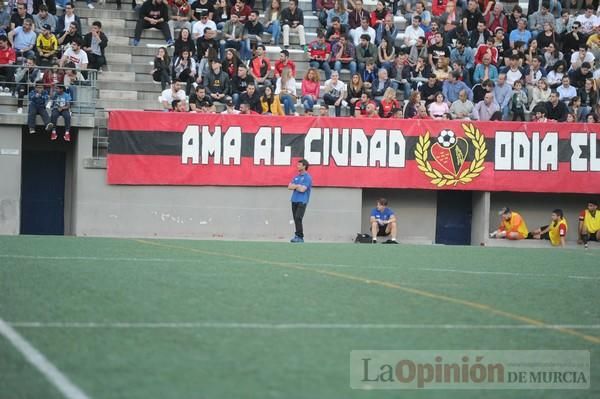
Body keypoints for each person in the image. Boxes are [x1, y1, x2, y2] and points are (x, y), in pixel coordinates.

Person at [288, 158, 312, 243]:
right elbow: (289, 186)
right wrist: (297, 186)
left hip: (302, 201)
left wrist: (295, 186)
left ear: (304, 166)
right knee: (295, 218)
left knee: (298, 217)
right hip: (294, 200)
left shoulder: (307, 177)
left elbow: (302, 189)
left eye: (299, 165)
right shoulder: (296, 177)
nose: (297, 166)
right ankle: (297, 236)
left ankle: (300, 236)